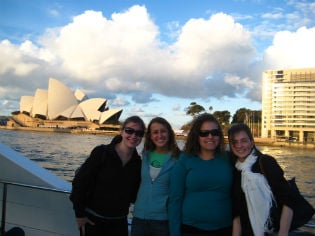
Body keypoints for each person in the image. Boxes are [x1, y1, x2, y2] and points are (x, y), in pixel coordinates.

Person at [69, 115, 145, 236]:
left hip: (119, 223)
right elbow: (79, 182)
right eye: (129, 131)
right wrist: (79, 215)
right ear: (122, 131)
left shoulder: (138, 164)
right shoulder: (101, 153)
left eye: (139, 133)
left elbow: (134, 195)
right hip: (93, 221)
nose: (134, 136)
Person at [168, 113, 234, 236]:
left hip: (224, 229)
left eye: (215, 132)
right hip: (190, 229)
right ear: (196, 136)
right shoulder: (185, 160)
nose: (210, 136)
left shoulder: (229, 159)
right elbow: (175, 199)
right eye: (204, 133)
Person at [227, 123, 293, 236]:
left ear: (252, 142)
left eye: (244, 141)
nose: (239, 145)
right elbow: (237, 214)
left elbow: (288, 200)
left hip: (271, 231)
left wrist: (283, 233)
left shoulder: (266, 162)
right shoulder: (235, 170)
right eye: (234, 142)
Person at [131, 117, 181, 236]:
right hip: (139, 218)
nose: (160, 135)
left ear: (169, 133)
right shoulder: (145, 156)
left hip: (163, 220)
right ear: (150, 136)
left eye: (163, 131)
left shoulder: (178, 158)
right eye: (155, 132)